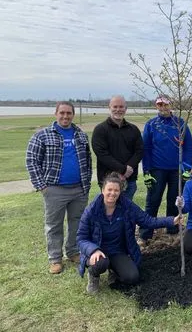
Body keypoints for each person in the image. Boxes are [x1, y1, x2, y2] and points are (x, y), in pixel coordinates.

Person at [76, 172, 182, 294]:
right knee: (101, 262)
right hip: (98, 251)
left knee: (131, 277)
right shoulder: (91, 210)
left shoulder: (127, 206)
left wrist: (171, 220)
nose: (112, 193)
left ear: (120, 192)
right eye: (109, 189)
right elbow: (81, 238)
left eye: (116, 190)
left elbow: (147, 221)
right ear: (102, 190)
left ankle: (114, 270)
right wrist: (93, 250)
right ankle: (94, 276)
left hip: (117, 251)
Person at [26, 101, 92, 274]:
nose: (65, 116)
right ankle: (55, 259)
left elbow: (88, 161)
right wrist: (42, 186)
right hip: (54, 189)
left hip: (78, 188)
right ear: (56, 114)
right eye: (62, 112)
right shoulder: (42, 135)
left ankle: (73, 251)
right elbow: (32, 161)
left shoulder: (81, 135)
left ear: (73, 114)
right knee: (54, 225)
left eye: (69, 113)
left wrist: (86, 183)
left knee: (76, 222)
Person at [139, 96, 192, 241]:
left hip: (177, 169)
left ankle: (172, 229)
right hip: (157, 169)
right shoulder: (151, 125)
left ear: (171, 105)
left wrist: (187, 168)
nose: (162, 107)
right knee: (153, 200)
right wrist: (146, 171)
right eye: (159, 105)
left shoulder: (180, 124)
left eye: (165, 104)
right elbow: (146, 149)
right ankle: (145, 234)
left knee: (174, 200)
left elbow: (188, 147)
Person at [91, 95, 143, 200]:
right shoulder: (100, 129)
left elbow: (139, 151)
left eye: (121, 107)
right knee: (109, 213)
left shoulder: (133, 129)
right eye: (115, 107)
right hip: (108, 181)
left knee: (126, 212)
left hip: (129, 180)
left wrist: (127, 170)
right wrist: (122, 170)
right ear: (109, 108)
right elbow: (102, 154)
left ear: (126, 109)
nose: (118, 110)